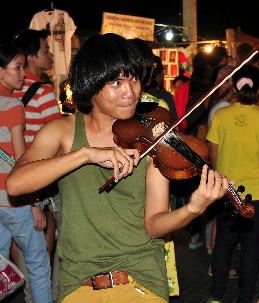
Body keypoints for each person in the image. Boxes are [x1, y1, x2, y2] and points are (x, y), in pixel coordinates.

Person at [6, 33, 230, 303]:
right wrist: (85, 154)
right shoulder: (62, 132)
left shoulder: (149, 139)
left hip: (142, 278)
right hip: (79, 281)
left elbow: (154, 224)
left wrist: (193, 208)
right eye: (116, 82)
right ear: (90, 85)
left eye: (133, 78)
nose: (131, 91)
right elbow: (16, 183)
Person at [207, 65, 259, 303]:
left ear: (233, 87)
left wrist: (221, 176)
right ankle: (245, 298)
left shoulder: (221, 116)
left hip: (227, 191)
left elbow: (213, 155)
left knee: (224, 243)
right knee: (253, 248)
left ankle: (216, 295)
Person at [12, 28, 63, 302]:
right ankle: (47, 293)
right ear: (31, 58)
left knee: (23, 240)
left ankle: (29, 292)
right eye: (45, 50)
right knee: (47, 236)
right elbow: (56, 138)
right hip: (41, 174)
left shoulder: (11, 90)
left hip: (15, 174)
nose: (50, 55)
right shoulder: (42, 91)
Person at [0, 44, 53, 303]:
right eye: (17, 67)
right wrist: (34, 202)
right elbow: (22, 161)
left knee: (0, 265)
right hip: (14, 200)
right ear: (1, 72)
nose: (22, 74)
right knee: (38, 263)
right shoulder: (12, 105)